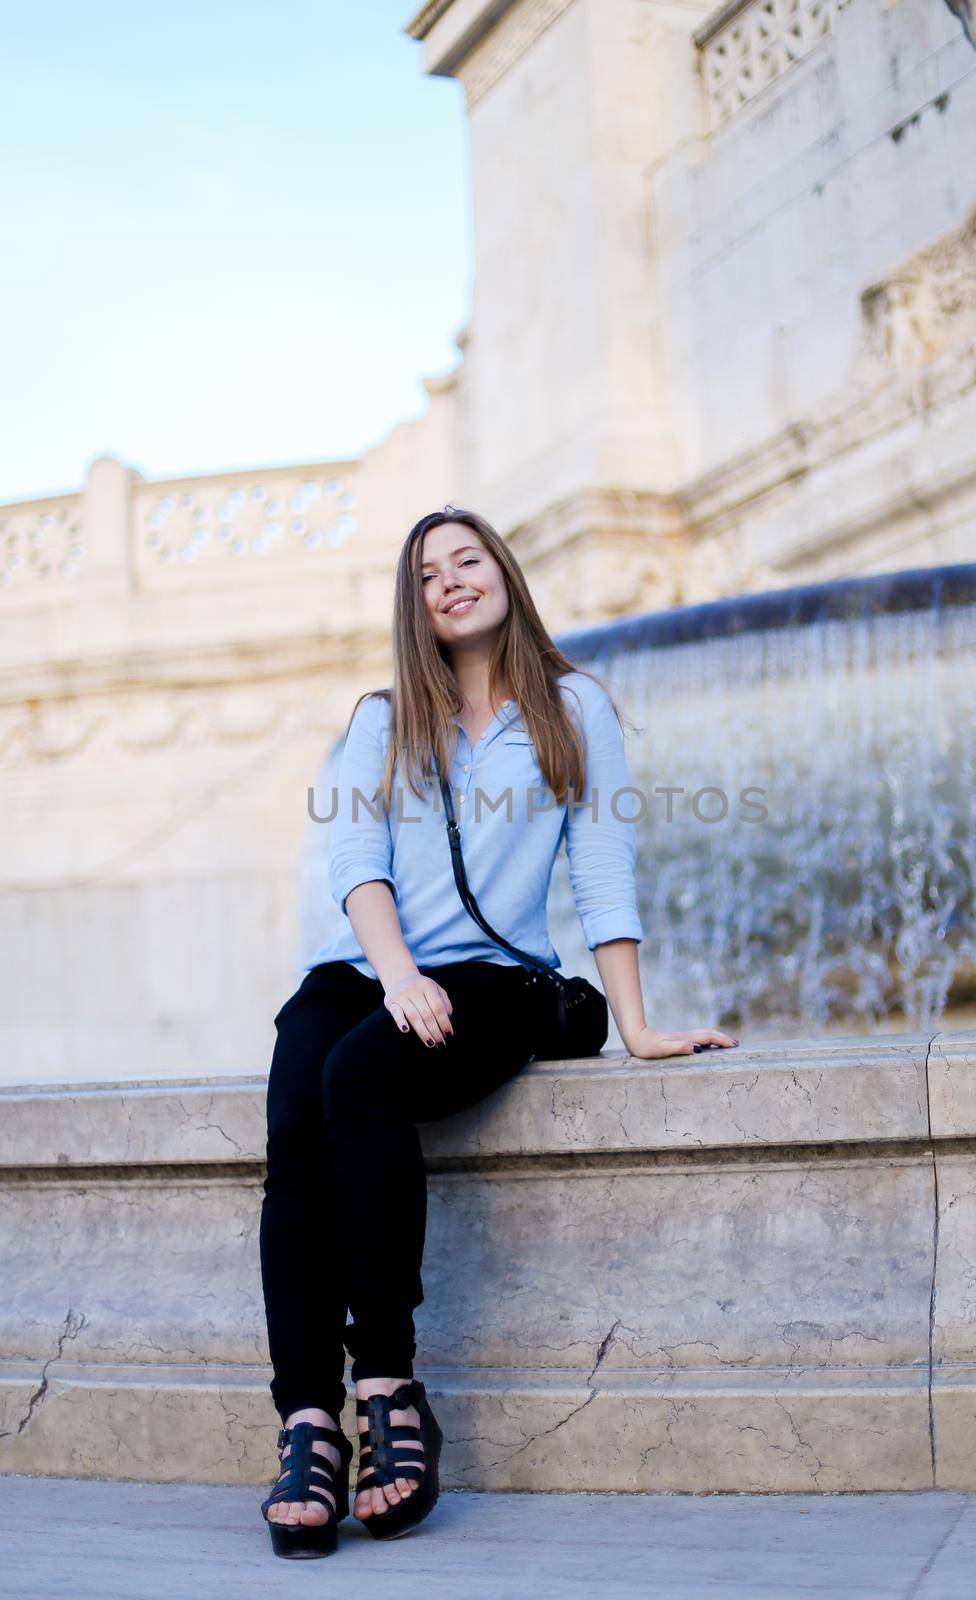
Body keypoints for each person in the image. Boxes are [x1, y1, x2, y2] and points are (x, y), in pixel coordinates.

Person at [257, 506, 740, 1556]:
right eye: (426, 573)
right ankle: (307, 1420)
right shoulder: (382, 719)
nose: (449, 581)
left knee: (361, 1079)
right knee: (298, 1105)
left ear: (505, 574)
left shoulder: (574, 709)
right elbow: (357, 864)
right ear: (414, 604)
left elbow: (600, 870)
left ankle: (385, 1387)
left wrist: (638, 1024)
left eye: (466, 559)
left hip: (497, 979)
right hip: (369, 966)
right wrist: (394, 976)